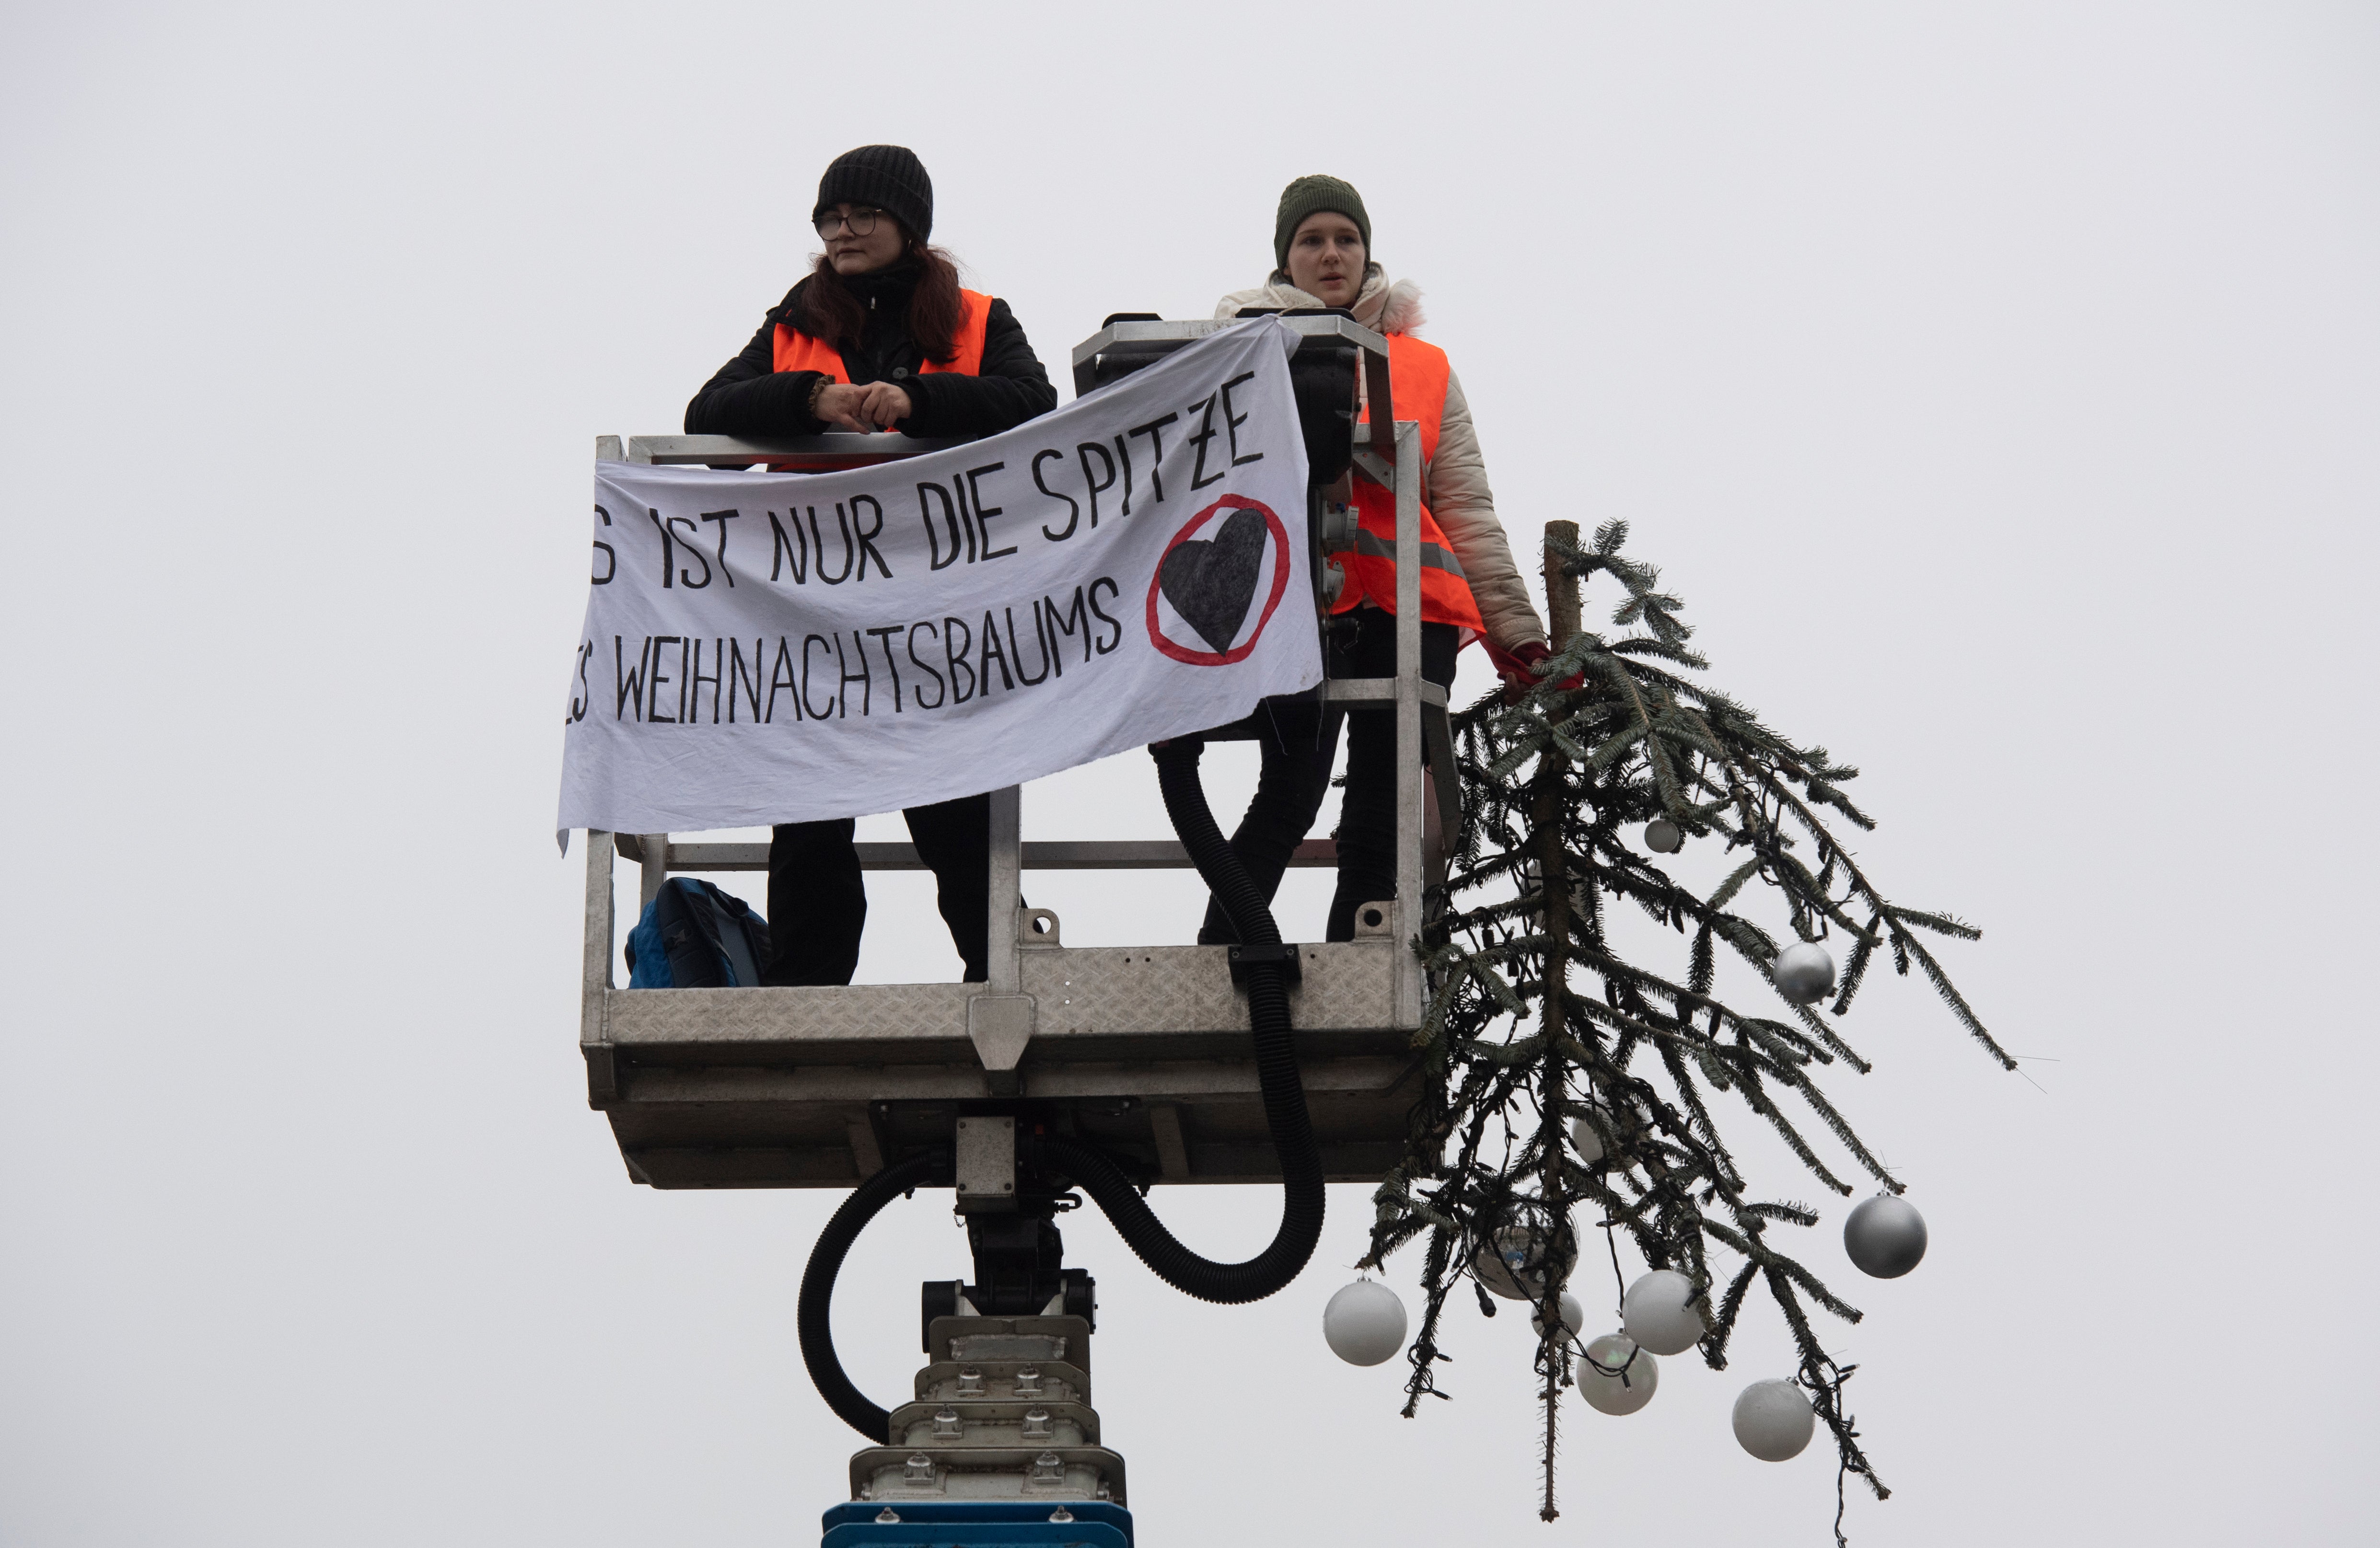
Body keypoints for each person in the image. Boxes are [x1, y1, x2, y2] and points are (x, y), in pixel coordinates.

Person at [685, 144, 1057, 984]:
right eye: (830, 218)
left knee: (955, 805)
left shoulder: (977, 316)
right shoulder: (792, 322)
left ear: (908, 226)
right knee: (810, 811)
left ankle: (998, 974)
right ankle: (807, 989)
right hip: (814, 612)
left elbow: (1033, 406)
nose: (842, 231)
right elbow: (706, 418)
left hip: (942, 611)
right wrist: (808, 402)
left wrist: (920, 402)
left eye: (862, 215)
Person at [1198, 174, 1556, 944]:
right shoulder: (1237, 347)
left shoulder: (1423, 365)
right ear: (1283, 260)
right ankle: (1219, 959)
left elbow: (1465, 508)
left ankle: (1357, 957)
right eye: (1312, 240)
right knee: (1287, 791)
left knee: (1384, 802)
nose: (1332, 255)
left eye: (1346, 239)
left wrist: (1515, 636)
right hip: (1296, 600)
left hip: (1411, 602)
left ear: (1367, 252)